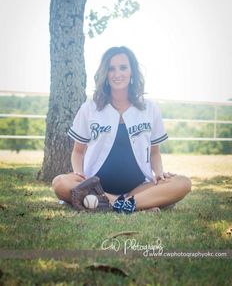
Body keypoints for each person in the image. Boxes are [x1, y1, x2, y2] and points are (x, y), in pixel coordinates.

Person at [52, 46, 191, 213]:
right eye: (111, 68)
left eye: (123, 67)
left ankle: (113, 203)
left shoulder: (149, 108)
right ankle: (134, 204)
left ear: (132, 71)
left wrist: (160, 173)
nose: (117, 74)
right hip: (96, 187)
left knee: (183, 183)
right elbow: (78, 151)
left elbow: (154, 152)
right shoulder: (90, 108)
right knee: (60, 183)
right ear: (105, 73)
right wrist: (79, 174)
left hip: (139, 188)